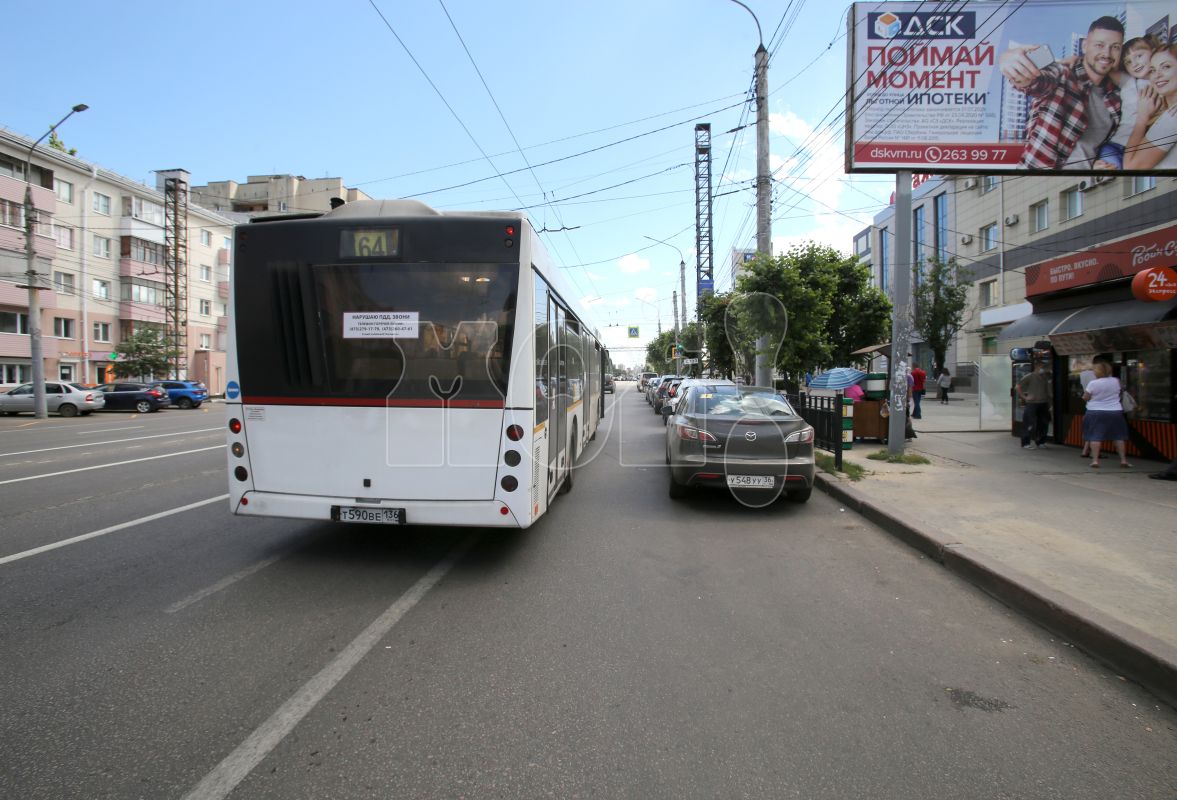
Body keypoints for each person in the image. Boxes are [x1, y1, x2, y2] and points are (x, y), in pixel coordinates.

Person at [1000, 16, 1125, 170]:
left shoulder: (1116, 98)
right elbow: (1035, 81)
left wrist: (1095, 164)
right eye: (1099, 45)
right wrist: (1010, 63)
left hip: (1084, 181)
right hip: (1040, 178)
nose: (1107, 53)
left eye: (1115, 47)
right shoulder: (1063, 74)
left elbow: (1094, 146)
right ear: (1085, 46)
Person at [1096, 37, 1157, 168]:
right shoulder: (1128, 81)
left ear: (1154, 52)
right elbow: (1103, 65)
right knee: (1108, 174)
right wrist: (1076, 59)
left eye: (1139, 56)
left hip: (1140, 152)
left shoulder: (1165, 83)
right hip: (1115, 145)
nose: (1134, 64)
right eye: (1128, 62)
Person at [1124, 45, 1177, 170]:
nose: (1157, 75)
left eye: (1166, 67)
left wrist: (1141, 118)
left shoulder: (1172, 117)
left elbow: (1130, 168)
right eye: (1152, 70)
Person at [1081, 360, 1131, 468]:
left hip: (1095, 411)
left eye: (1094, 370)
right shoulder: (1116, 381)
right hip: (1115, 411)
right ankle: (1123, 460)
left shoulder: (1093, 383)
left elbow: (1086, 397)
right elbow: (1121, 393)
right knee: (1118, 436)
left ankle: (1095, 461)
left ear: (1098, 371)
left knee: (1095, 436)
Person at [1016, 360, 1051, 449]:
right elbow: (1018, 386)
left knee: (1043, 423)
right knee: (1030, 423)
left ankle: (1040, 442)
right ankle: (1026, 443)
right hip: (1032, 404)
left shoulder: (1045, 377)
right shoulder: (1030, 376)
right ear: (1037, 367)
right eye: (1042, 367)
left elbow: (1048, 390)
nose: (1044, 369)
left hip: (1043, 403)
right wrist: (1024, 397)